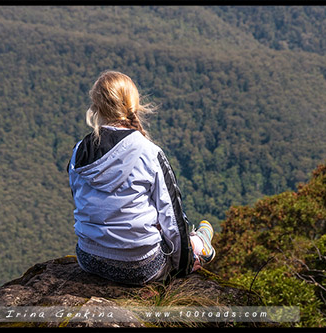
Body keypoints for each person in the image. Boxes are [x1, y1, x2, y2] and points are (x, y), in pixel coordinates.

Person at [67, 70, 215, 285]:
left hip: (89, 259)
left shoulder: (79, 151)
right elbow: (171, 218)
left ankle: (199, 239)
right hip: (139, 267)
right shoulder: (148, 151)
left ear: (96, 105)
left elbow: (82, 203)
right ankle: (200, 243)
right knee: (182, 239)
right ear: (132, 105)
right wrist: (185, 265)